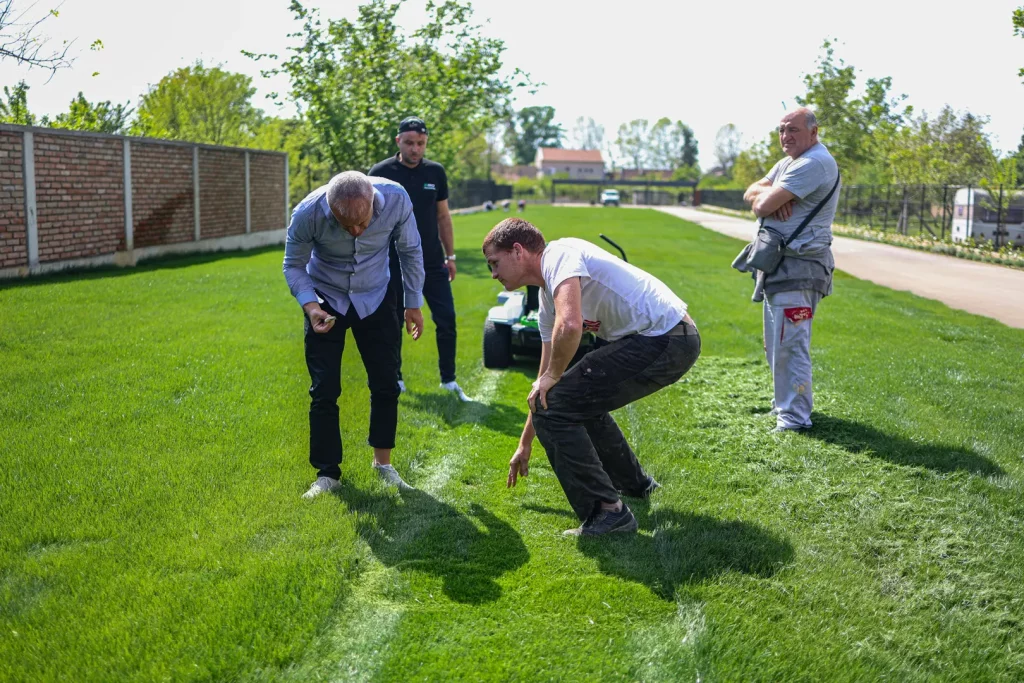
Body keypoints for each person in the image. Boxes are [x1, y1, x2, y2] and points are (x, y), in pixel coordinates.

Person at [481, 218, 701, 536]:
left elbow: (570, 326)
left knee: (559, 402)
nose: (493, 274)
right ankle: (636, 486)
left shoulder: (559, 254)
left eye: (494, 263)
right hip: (666, 339)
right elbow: (543, 383)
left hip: (666, 338)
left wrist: (553, 377)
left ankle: (607, 512)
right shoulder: (546, 298)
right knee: (565, 399)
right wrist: (524, 444)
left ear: (518, 251)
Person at [283, 171, 425, 498]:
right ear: (329, 209)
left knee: (386, 382)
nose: (356, 232)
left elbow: (410, 251)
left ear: (374, 201)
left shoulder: (397, 199)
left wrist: (412, 303)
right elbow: (293, 264)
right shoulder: (307, 213)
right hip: (326, 299)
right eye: (346, 227)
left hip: (376, 294)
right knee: (324, 389)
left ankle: (383, 464)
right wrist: (309, 305)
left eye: (362, 223)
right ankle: (327, 474)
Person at [741, 107, 840, 432]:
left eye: (793, 130)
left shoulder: (813, 163)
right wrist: (769, 195)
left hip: (800, 269)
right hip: (781, 269)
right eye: (782, 130)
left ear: (814, 132)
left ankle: (795, 418)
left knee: (791, 345)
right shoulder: (789, 162)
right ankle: (784, 406)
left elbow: (760, 205)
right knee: (777, 345)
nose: (786, 137)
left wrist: (767, 198)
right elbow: (751, 192)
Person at [370, 117, 470, 402]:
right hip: (392, 262)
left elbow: (443, 216)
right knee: (392, 321)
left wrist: (450, 255)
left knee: (447, 319)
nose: (416, 149)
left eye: (421, 144)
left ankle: (449, 381)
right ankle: (396, 378)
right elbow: (369, 219)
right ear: (398, 141)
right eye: (410, 143)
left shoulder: (436, 172)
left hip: (431, 261)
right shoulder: (380, 172)